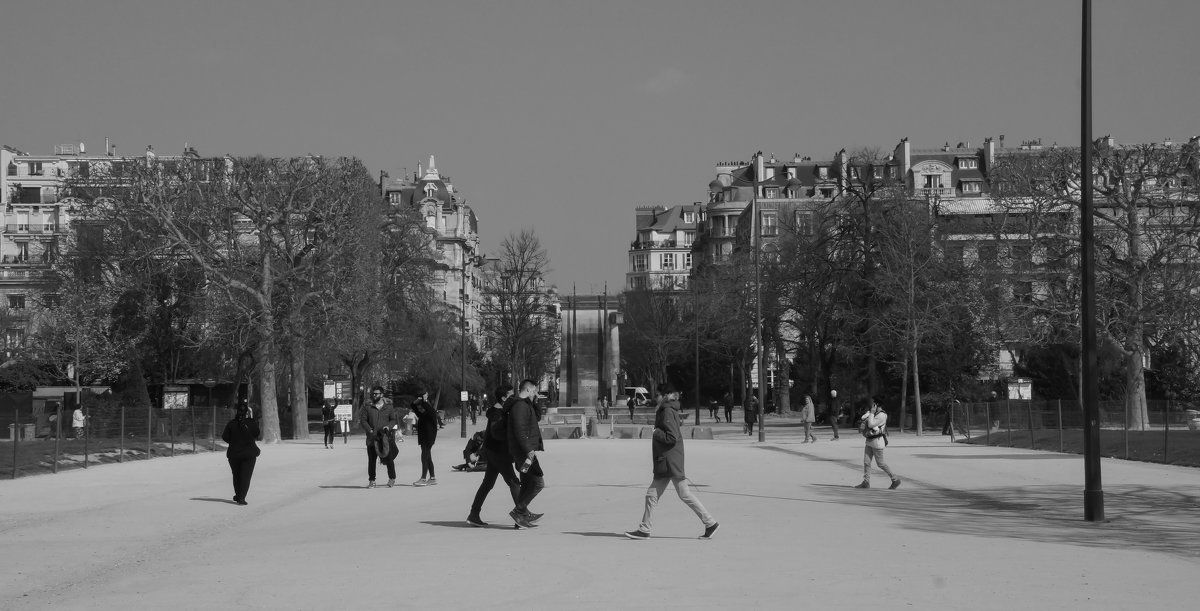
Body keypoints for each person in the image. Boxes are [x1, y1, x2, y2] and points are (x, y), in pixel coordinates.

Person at [625, 383, 719, 541]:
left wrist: (656, 432)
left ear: (665, 395)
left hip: (668, 459)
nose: (655, 398)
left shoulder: (667, 411)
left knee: (655, 495)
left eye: (657, 395)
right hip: (670, 458)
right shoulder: (669, 410)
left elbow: (672, 437)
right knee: (680, 494)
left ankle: (645, 529)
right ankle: (710, 523)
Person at [466, 384, 523, 527]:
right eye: (511, 395)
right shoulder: (498, 413)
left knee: (487, 484)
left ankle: (474, 514)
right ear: (504, 398)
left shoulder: (500, 410)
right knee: (513, 482)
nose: (514, 397)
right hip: (498, 452)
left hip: (492, 451)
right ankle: (520, 515)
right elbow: (497, 433)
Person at [507, 380, 545, 529]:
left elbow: (537, 417)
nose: (536, 393)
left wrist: (535, 401)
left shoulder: (525, 404)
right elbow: (519, 431)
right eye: (534, 391)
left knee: (527, 482)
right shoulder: (519, 406)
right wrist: (529, 450)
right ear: (528, 389)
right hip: (524, 453)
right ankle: (519, 511)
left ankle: (520, 518)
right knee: (538, 482)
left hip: (524, 451)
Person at [855, 396, 901, 490]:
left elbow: (871, 424)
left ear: (876, 405)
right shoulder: (874, 413)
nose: (871, 405)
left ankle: (895, 479)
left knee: (881, 463)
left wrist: (871, 413)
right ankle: (866, 482)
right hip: (869, 441)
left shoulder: (882, 415)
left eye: (873, 404)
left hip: (877, 442)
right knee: (866, 462)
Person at [357, 386, 399, 488]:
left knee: (389, 459)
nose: (374, 395)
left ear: (381, 395)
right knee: (371, 460)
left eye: (376, 394)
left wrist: (388, 427)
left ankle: (392, 478)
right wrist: (369, 430)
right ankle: (372, 480)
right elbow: (363, 420)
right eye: (373, 394)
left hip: (384, 438)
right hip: (372, 438)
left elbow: (393, 420)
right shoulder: (368, 406)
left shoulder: (388, 407)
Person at [221, 402, 261, 505]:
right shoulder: (252, 423)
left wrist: (234, 442)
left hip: (234, 454)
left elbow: (225, 437)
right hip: (249, 454)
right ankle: (241, 497)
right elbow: (257, 434)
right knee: (246, 476)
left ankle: (238, 495)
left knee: (236, 475)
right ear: (247, 412)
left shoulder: (231, 424)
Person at [412, 389, 439, 486]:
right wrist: (418, 400)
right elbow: (414, 407)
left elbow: (427, 408)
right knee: (428, 457)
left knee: (424, 456)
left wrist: (424, 400)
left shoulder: (431, 410)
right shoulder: (423, 413)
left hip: (429, 436)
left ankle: (423, 478)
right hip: (424, 436)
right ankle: (432, 478)